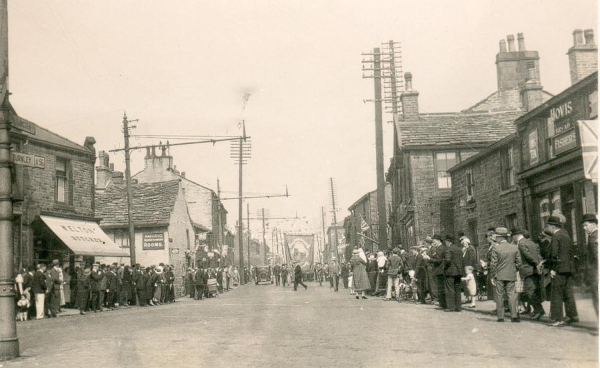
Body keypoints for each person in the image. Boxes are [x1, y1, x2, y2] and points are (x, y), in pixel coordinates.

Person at [546, 215, 579, 327]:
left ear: (552, 226)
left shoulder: (556, 236)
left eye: (549, 226)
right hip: (569, 268)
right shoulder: (566, 235)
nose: (548, 229)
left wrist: (553, 269)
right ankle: (572, 316)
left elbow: (554, 254)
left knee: (556, 294)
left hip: (559, 269)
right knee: (568, 293)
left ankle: (557, 318)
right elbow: (570, 253)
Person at [490, 227, 522, 323]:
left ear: (499, 237)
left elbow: (493, 263)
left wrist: (493, 275)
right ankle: (514, 316)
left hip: (499, 275)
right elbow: (519, 263)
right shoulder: (514, 247)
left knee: (499, 295)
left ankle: (501, 317)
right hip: (511, 275)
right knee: (512, 295)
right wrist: (513, 269)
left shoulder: (496, 247)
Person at [513, 228, 544, 319]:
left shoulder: (521, 244)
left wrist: (536, 263)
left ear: (516, 236)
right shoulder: (531, 242)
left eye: (513, 237)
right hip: (534, 270)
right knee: (534, 290)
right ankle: (537, 310)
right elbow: (537, 254)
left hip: (528, 270)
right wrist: (538, 264)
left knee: (530, 291)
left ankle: (539, 310)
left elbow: (528, 256)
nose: (513, 239)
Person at [582, 214, 598, 317]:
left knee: (597, 298)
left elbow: (596, 256)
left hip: (595, 273)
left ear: (593, 224)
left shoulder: (593, 237)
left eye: (586, 225)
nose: (584, 228)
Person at [443, 235, 464, 312]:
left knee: (449, 289)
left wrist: (444, 268)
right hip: (458, 272)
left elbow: (447, 261)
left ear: (448, 242)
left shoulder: (448, 249)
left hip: (450, 272)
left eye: (445, 241)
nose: (445, 243)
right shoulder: (459, 249)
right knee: (457, 289)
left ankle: (451, 307)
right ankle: (458, 307)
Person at [427, 235, 447, 309]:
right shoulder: (440, 248)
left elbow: (438, 260)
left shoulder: (440, 248)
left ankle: (443, 304)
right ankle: (442, 303)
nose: (433, 242)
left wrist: (429, 259)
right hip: (439, 270)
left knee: (441, 287)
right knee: (440, 287)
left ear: (438, 240)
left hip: (440, 269)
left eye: (434, 240)